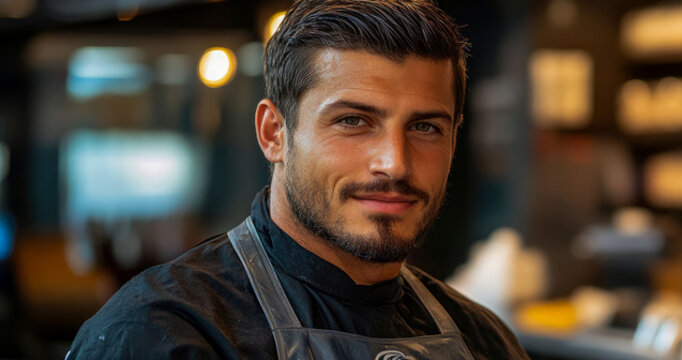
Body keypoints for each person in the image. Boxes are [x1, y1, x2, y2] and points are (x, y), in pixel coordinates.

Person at [66, 0, 529, 358]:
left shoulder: (482, 339)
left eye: (425, 127)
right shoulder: (163, 333)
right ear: (274, 134)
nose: (395, 163)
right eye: (353, 121)